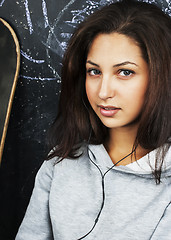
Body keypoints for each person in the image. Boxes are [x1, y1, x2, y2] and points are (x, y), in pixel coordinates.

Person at [15, 0, 171, 239]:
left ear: (161, 77)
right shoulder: (61, 162)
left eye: (125, 72)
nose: (103, 91)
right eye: (94, 71)